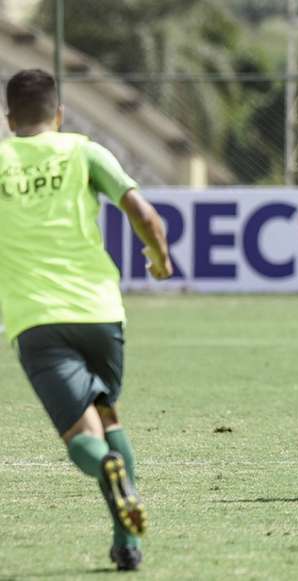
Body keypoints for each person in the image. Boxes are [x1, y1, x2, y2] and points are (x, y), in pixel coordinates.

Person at [0, 69, 173, 570]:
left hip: (37, 320)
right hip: (101, 313)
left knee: (83, 438)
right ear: (58, 114)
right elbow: (144, 213)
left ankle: (107, 468)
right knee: (108, 414)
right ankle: (127, 545)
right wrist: (158, 258)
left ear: (10, 121)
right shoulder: (83, 151)